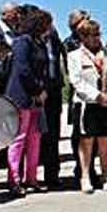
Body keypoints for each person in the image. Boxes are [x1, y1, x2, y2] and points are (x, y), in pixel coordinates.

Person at [67, 19, 107, 194]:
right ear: (83, 37)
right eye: (92, 35)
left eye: (98, 34)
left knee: (104, 141)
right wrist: (97, 96)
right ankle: (85, 176)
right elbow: (76, 81)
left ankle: (105, 176)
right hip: (86, 104)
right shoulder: (74, 56)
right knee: (86, 141)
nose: (97, 38)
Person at [4, 6, 51, 197]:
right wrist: (38, 89)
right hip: (21, 96)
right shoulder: (22, 42)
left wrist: (42, 90)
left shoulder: (39, 42)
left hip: (36, 99)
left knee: (34, 139)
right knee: (18, 139)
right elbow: (22, 69)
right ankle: (13, 179)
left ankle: (31, 177)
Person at [41, 23, 65, 188]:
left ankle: (52, 175)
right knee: (38, 137)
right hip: (40, 93)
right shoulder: (33, 43)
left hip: (54, 92)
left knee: (53, 136)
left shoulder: (56, 42)